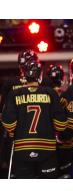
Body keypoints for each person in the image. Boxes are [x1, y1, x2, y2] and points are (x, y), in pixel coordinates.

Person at [1, 59, 67, 179]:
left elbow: (9, 125)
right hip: (47, 150)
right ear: (40, 76)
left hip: (22, 150)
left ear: (24, 76)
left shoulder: (14, 94)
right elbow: (61, 125)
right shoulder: (50, 93)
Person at [0, 49, 39, 178]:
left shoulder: (10, 83)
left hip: (16, 133)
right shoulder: (44, 84)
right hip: (39, 133)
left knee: (17, 170)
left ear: (19, 65)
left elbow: (3, 111)